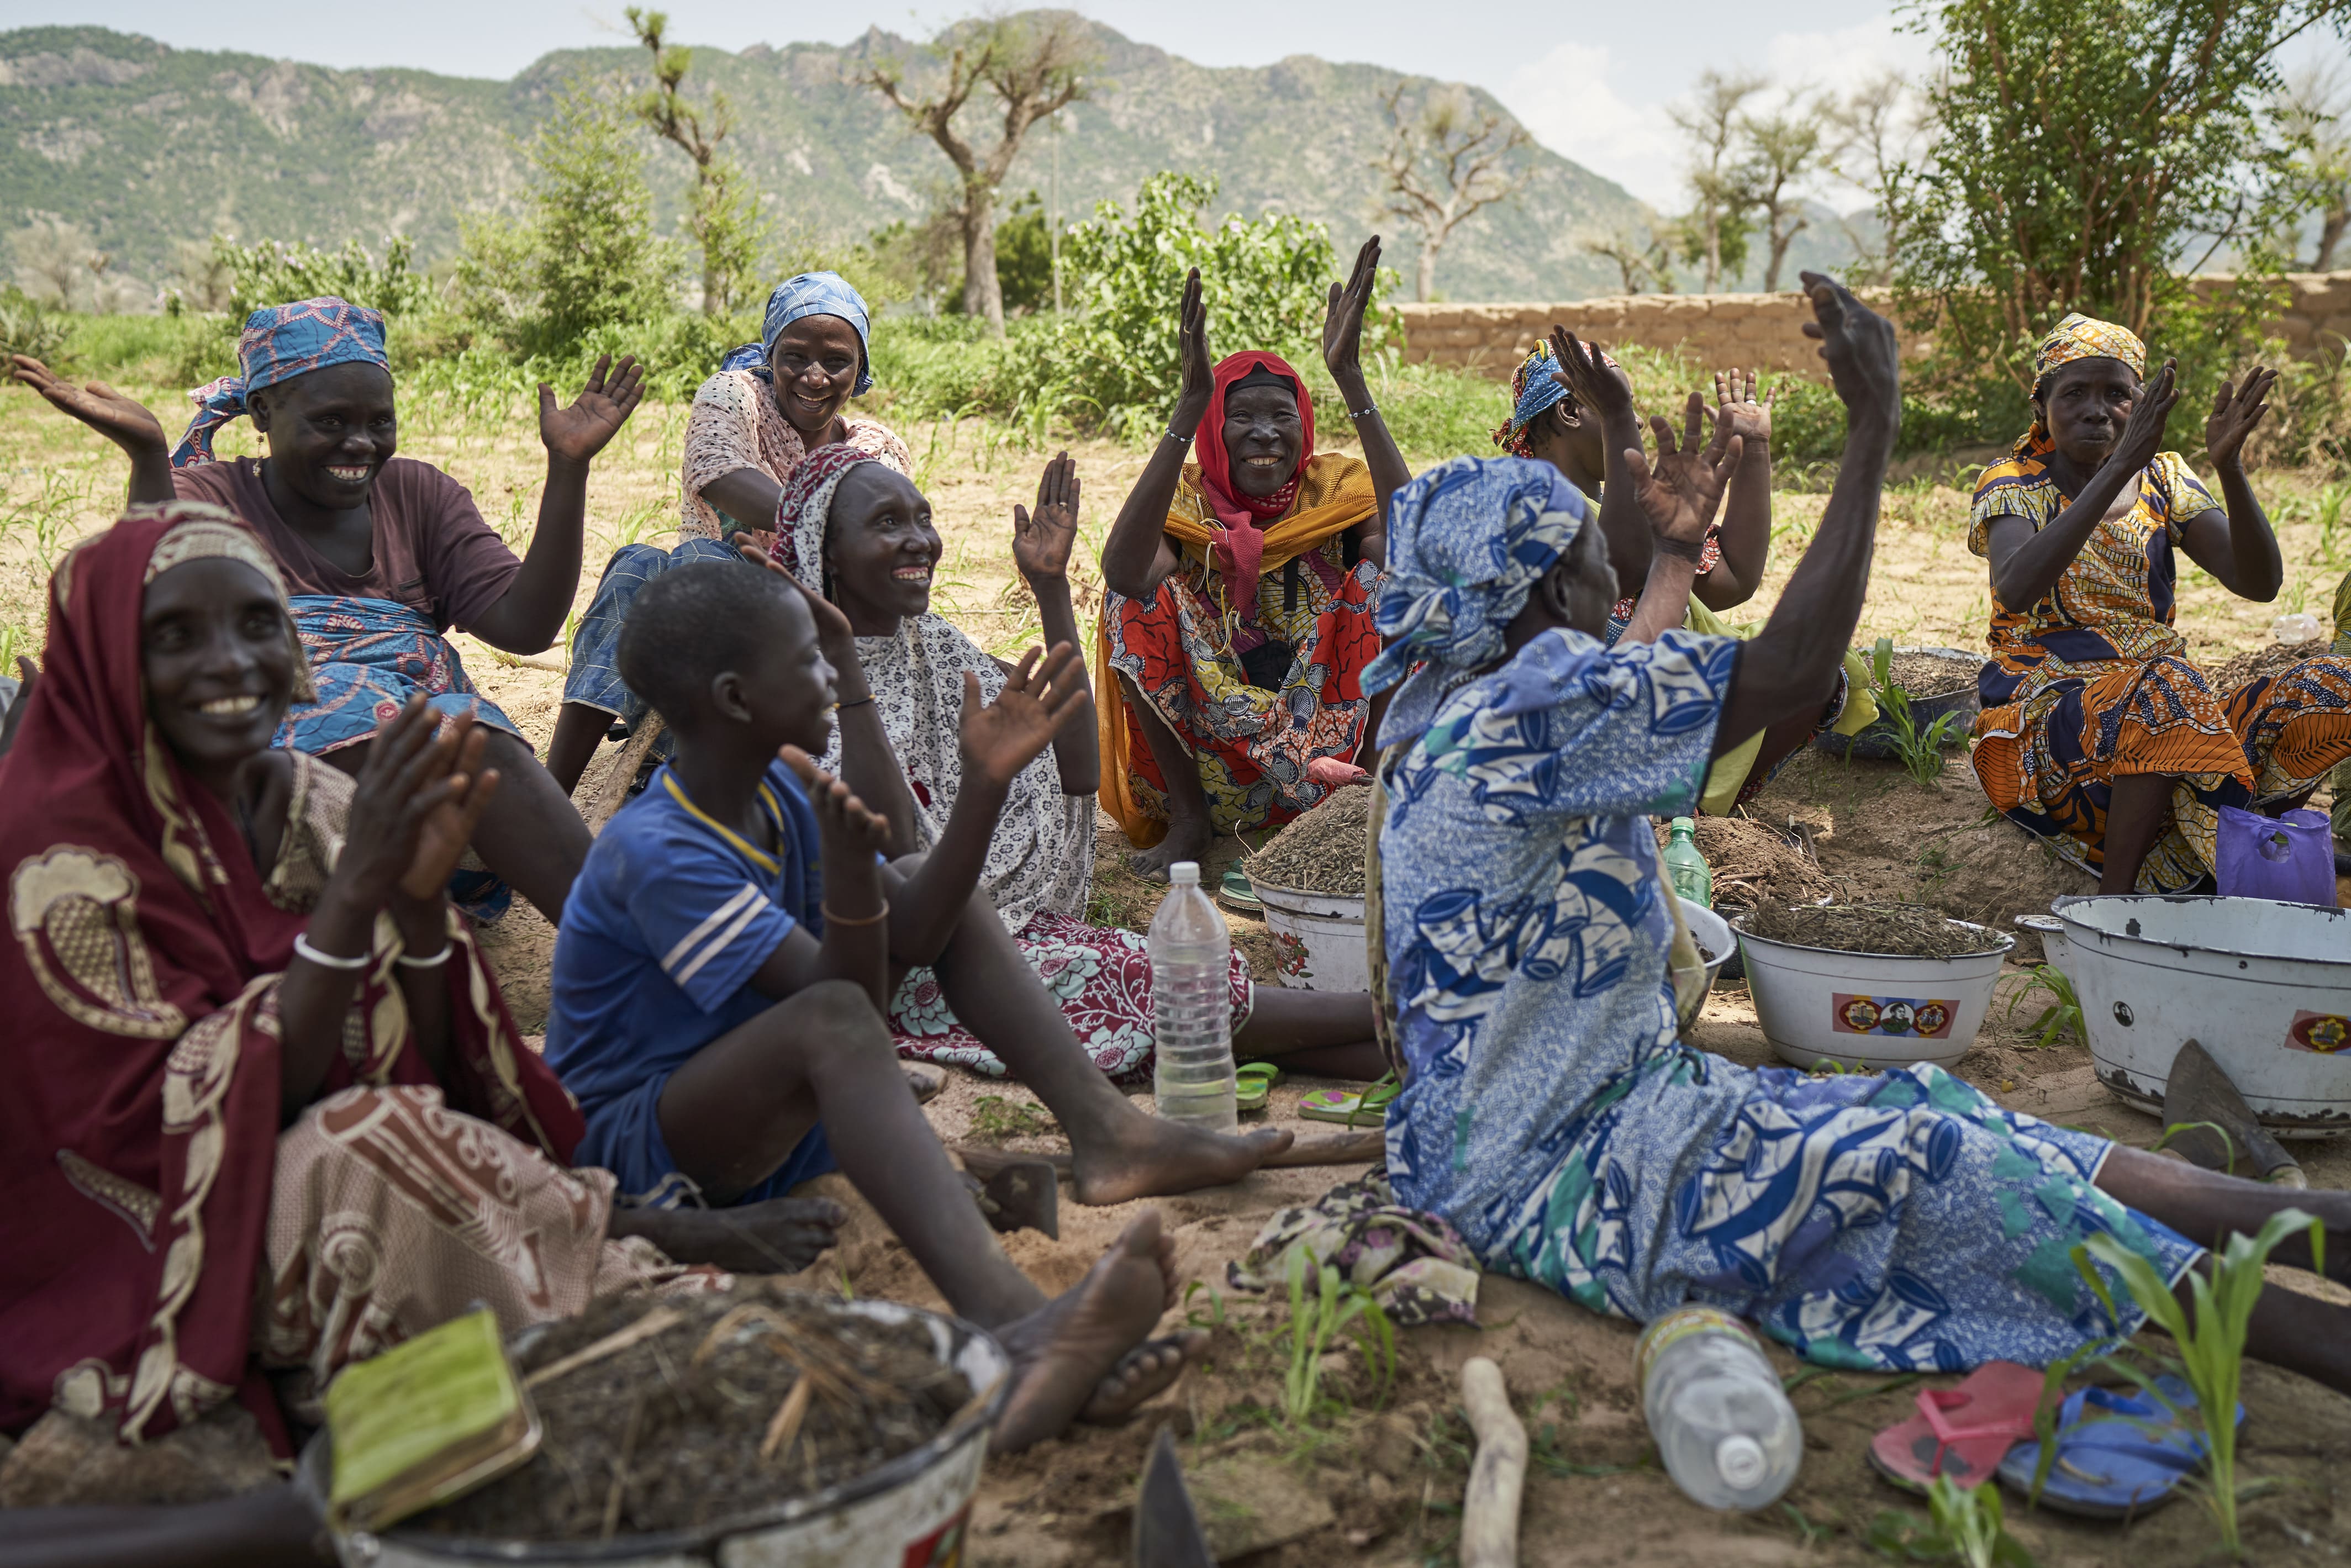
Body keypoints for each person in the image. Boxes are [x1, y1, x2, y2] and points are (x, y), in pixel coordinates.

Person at [1362, 278, 2351, 1394]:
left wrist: (1663, 521)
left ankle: (2295, 1218)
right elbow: (1785, 669)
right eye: (1598, 569)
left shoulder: (1462, 702)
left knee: (1926, 1104)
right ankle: (2299, 1336)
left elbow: (1631, 632)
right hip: (1561, 1171)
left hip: (1597, 1112)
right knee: (1926, 1167)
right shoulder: (1530, 714)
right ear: (1545, 596)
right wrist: (1872, 431)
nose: (1619, 576)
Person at [0, 501, 864, 1467]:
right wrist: (359, 894)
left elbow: (416, 1057)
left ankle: (609, 1303)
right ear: (105, 663)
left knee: (403, 1137)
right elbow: (176, 1120)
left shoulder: (304, 796)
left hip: (338, 1165)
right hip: (143, 1240)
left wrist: (415, 915)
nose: (231, 660)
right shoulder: (57, 856)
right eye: (173, 636)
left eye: (256, 622)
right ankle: (622, 1327)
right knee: (368, 1151)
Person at [9, 298, 640, 923]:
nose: (360, 444)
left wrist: (568, 469)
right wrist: (149, 459)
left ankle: (622, 955)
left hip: (433, 826)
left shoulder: (419, 496)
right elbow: (151, 593)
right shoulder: (211, 494)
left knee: (473, 742)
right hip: (258, 815)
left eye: (379, 422)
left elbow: (524, 627)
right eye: (331, 422)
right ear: (263, 412)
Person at [779, 440, 1384, 1081]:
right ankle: (1388, 1016)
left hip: (999, 931)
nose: (918, 541)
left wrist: (1049, 588)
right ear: (824, 550)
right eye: (886, 523)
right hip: (909, 970)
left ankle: (1395, 1038)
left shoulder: (929, 646)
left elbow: (1076, 776)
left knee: (1176, 978)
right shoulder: (796, 681)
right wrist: (849, 671)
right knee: (1144, 983)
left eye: (923, 518)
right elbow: (896, 866)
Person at [1970, 314, 2351, 893]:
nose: (2096, 410)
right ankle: (2117, 900)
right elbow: (2015, 587)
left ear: (2141, 404)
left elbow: (2258, 583)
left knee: (2330, 687)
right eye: (2073, 392)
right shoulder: (2011, 483)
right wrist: (2119, 463)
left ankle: (2242, 842)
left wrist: (2228, 466)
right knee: (2163, 684)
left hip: (2172, 717)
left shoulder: (2163, 480)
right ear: (2041, 402)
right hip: (2053, 725)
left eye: (2116, 394)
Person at [1097, 239, 1408, 877]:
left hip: (1331, 756)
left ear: (1305, 426)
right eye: (1239, 417)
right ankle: (1188, 826)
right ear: (1214, 432)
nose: (1264, 432)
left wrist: (1351, 379)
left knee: (1396, 583)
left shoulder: (1335, 491)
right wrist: (1187, 409)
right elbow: (1124, 573)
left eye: (1280, 416)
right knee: (1128, 599)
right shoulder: (1184, 502)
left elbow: (1418, 548)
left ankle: (1366, 812)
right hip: (1211, 766)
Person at [544, 271, 913, 795]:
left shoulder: (875, 449)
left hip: (823, 626)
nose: (815, 377)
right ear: (770, 354)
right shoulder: (734, 395)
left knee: (702, 561)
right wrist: (828, 519)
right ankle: (556, 787)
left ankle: (681, 764)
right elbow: (718, 471)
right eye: (795, 357)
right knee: (636, 564)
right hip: (702, 602)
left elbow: (880, 562)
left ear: (861, 368)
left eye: (837, 362)